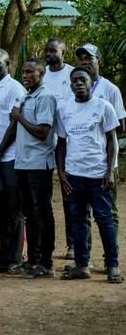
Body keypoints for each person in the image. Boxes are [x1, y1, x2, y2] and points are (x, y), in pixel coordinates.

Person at [57, 68, 121, 283]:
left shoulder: (103, 107)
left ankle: (112, 265)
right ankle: (82, 265)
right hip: (74, 175)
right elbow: (62, 143)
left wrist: (109, 170)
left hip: (98, 175)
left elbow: (112, 140)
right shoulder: (64, 109)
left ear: (91, 82)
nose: (78, 84)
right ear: (70, 84)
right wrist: (62, 172)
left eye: (82, 80)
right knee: (78, 220)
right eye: (74, 81)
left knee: (104, 220)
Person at [0, 58, 57, 278]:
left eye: (30, 72)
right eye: (23, 71)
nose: (25, 75)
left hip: (39, 163)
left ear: (41, 74)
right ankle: (33, 260)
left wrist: (19, 117)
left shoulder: (45, 97)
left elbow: (43, 132)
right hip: (22, 162)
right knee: (30, 213)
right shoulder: (26, 96)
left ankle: (46, 262)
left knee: (42, 212)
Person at [0, 49, 28, 271]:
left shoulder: (14, 88)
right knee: (0, 209)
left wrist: (0, 152)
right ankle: (2, 256)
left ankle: (14, 258)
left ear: (8, 65)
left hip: (10, 158)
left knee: (13, 208)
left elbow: (14, 124)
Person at [42, 38, 72, 107]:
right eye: (46, 51)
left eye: (52, 51)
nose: (48, 54)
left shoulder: (73, 73)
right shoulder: (41, 73)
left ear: (63, 53)